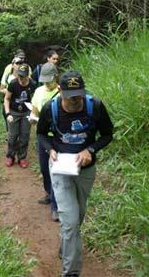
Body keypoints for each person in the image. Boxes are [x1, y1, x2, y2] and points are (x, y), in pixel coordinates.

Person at [36, 70, 114, 277]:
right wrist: (50, 150)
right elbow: (42, 134)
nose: (76, 100)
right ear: (60, 91)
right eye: (71, 96)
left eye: (79, 94)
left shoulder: (94, 106)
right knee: (70, 221)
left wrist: (91, 150)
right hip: (60, 169)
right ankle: (71, 272)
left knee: (77, 216)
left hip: (85, 170)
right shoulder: (50, 109)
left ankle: (66, 245)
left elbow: (107, 134)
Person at [30, 62, 60, 222]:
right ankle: (49, 193)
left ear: (56, 77)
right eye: (44, 81)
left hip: (57, 138)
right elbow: (34, 111)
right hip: (43, 136)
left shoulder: (62, 92)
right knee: (44, 168)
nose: (47, 84)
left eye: (49, 81)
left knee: (55, 170)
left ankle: (56, 206)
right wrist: (32, 119)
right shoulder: (39, 91)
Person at [4, 63, 37, 168]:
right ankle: (11, 156)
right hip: (14, 111)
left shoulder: (32, 84)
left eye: (23, 76)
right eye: (19, 75)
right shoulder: (13, 83)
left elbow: (33, 100)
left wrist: (33, 114)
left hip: (26, 112)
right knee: (13, 136)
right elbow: (7, 98)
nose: (21, 78)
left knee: (24, 136)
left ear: (28, 75)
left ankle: (22, 157)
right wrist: (8, 113)